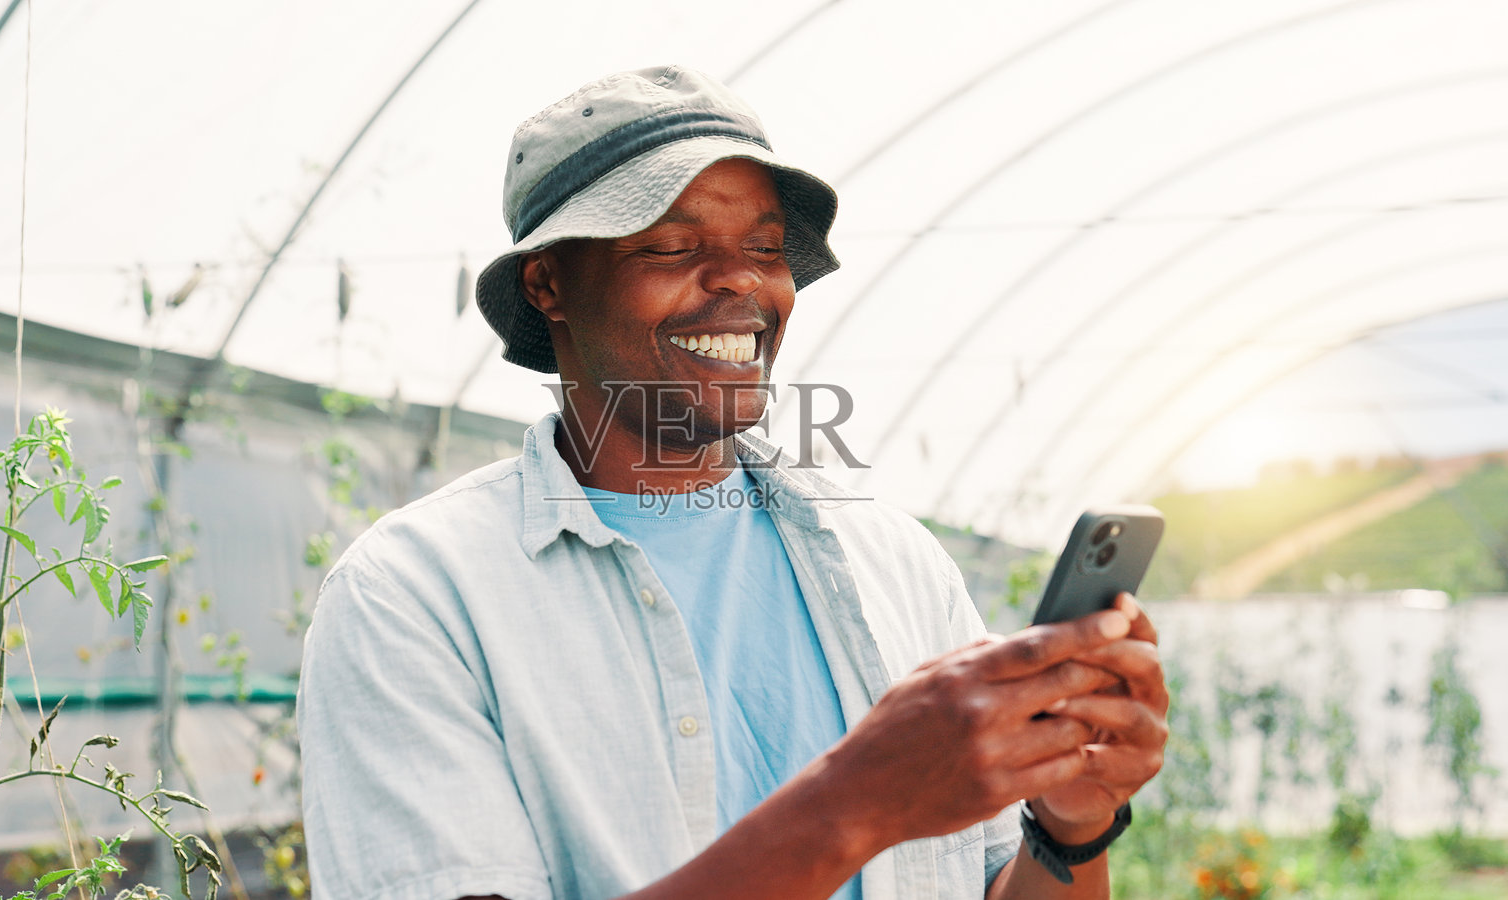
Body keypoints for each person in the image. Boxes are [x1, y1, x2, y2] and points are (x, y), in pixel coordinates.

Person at [297, 65, 1168, 900]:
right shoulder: (414, 596)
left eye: (764, 246)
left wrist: (1066, 828)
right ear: (548, 281)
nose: (742, 281)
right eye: (673, 246)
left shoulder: (893, 561)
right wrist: (860, 800)